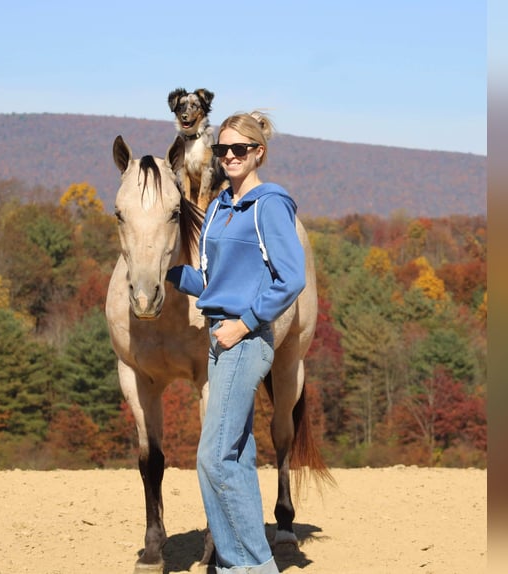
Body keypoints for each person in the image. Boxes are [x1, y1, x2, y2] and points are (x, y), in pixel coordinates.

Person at [166, 111, 305, 574]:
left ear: (258, 152)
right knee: (237, 456)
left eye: (239, 149)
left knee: (213, 457)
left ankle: (253, 565)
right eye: (222, 150)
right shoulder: (222, 207)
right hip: (218, 335)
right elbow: (211, 279)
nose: (228, 156)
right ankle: (236, 566)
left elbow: (291, 279)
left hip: (244, 339)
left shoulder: (270, 204)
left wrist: (244, 324)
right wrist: (165, 271)